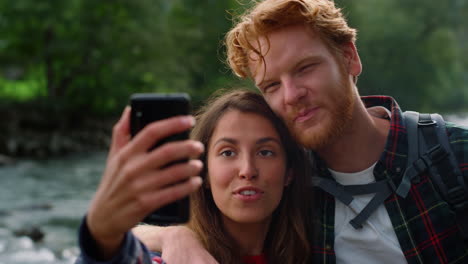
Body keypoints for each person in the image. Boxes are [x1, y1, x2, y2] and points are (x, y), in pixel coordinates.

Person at [134, 0, 468, 263]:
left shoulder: (452, 156)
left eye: (305, 68)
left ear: (349, 57)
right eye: (272, 85)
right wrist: (175, 236)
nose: (292, 96)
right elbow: (134, 234)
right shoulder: (283, 179)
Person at [75, 89, 312, 264]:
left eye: (265, 152)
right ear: (203, 172)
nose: (247, 170)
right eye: (228, 152)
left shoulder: (319, 250)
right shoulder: (173, 258)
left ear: (289, 172)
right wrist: (101, 232)